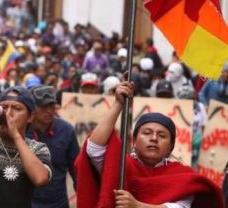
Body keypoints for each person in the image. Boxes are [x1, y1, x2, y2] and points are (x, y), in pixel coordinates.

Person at [76, 80, 224, 208]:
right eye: (147, 133)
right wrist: (118, 104)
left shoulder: (182, 175)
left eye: (162, 135)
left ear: (170, 148)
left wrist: (137, 205)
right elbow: (93, 149)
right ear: (134, 141)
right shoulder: (120, 165)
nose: (154, 138)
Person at [26, 85, 79, 208]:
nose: (50, 110)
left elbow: (77, 170)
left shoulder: (67, 131)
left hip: (58, 204)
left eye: (52, 105)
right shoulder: (20, 131)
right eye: (44, 106)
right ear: (32, 108)